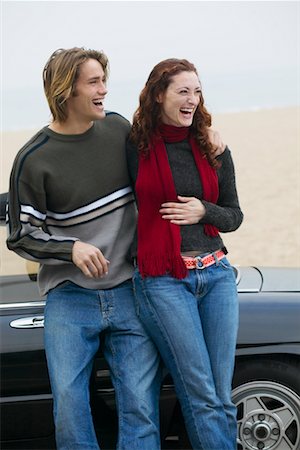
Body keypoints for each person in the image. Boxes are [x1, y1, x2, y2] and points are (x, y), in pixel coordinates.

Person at [6, 47, 162, 450]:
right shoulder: (33, 160)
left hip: (130, 289)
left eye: (103, 80)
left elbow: (161, 160)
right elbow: (22, 235)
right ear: (65, 91)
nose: (104, 90)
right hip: (69, 299)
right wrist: (70, 248)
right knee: (70, 408)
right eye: (94, 82)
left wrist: (210, 135)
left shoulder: (117, 130)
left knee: (141, 407)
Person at [126, 58, 244, 450]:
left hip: (217, 276)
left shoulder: (212, 147)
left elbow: (234, 215)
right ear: (159, 95)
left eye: (197, 91)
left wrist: (202, 210)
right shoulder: (134, 147)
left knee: (221, 396)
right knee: (201, 393)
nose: (192, 99)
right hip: (163, 281)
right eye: (182, 91)